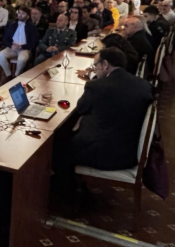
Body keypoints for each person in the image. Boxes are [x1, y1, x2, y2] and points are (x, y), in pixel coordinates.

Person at [52, 48, 153, 189]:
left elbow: (81, 109)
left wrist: (94, 81)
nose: (95, 69)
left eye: (95, 65)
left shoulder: (97, 86)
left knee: (57, 146)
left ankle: (65, 189)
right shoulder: (144, 85)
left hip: (106, 154)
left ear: (105, 64)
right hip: (130, 151)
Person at [0, 6, 39, 80]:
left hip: (24, 49)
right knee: (0, 55)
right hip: (12, 48)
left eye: (23, 13)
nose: (20, 15)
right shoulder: (12, 25)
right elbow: (5, 39)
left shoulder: (31, 27)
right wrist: (11, 45)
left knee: (22, 59)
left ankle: (16, 75)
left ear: (28, 16)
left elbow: (34, 42)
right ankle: (9, 75)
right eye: (19, 13)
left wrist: (21, 47)